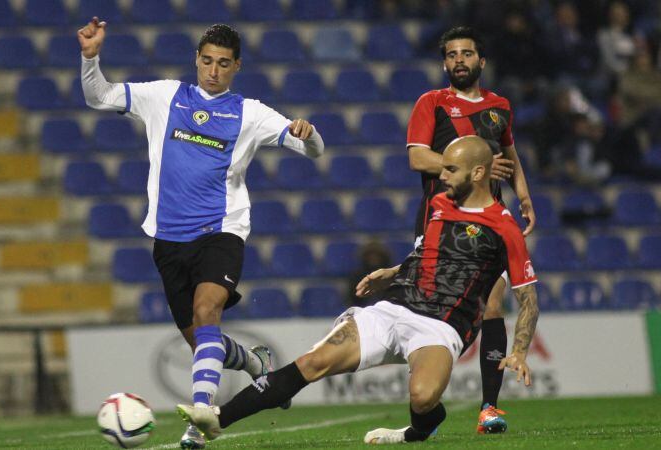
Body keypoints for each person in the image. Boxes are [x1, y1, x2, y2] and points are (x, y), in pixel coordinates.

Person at [177, 136, 540, 445]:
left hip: (442, 325)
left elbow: (528, 300)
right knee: (313, 362)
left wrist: (520, 352)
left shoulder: (504, 227)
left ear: (478, 173)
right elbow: (428, 254)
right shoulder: (440, 204)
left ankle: (419, 429)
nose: (441, 175)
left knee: (423, 397)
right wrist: (391, 273)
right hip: (395, 306)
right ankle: (217, 419)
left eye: (451, 170)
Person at [76, 18, 324, 449]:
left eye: (223, 64)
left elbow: (312, 150)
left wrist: (310, 132)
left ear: (237, 66)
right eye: (207, 61)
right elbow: (98, 96)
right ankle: (254, 363)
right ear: (196, 59)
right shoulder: (164, 95)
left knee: (208, 310)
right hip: (169, 240)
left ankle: (201, 419)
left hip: (221, 231)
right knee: (201, 341)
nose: (213, 71)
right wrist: (90, 57)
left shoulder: (251, 113)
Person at [405, 26, 535, 433]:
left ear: (481, 60)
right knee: (429, 312)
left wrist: (523, 195)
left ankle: (489, 408)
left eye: (466, 53)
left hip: (487, 223)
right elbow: (417, 158)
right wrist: (469, 167)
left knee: (493, 306)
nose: (459, 60)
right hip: (440, 222)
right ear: (445, 64)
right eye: (452, 55)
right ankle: (425, 407)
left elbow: (510, 154)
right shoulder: (432, 102)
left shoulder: (500, 107)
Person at [346, 241, 392, 307]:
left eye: (377, 256)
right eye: (370, 256)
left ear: (383, 257)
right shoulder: (357, 276)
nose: (374, 259)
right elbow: (352, 300)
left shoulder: (391, 275)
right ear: (365, 257)